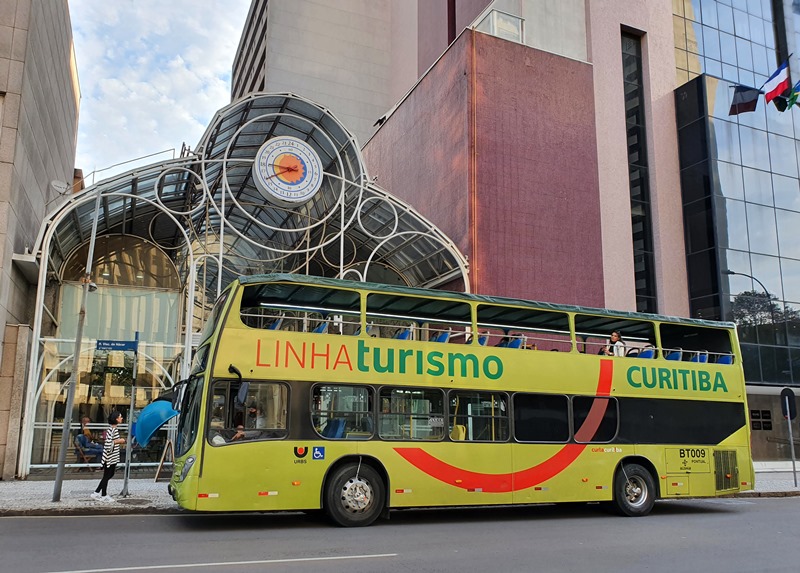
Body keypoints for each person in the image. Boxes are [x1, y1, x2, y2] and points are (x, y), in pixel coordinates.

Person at [91, 411, 126, 503]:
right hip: (110, 457)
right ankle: (102, 495)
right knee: (107, 475)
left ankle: (98, 492)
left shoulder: (113, 429)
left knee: (108, 475)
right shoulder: (112, 429)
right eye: (120, 417)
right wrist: (120, 441)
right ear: (116, 419)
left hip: (111, 457)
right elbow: (108, 443)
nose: (121, 418)